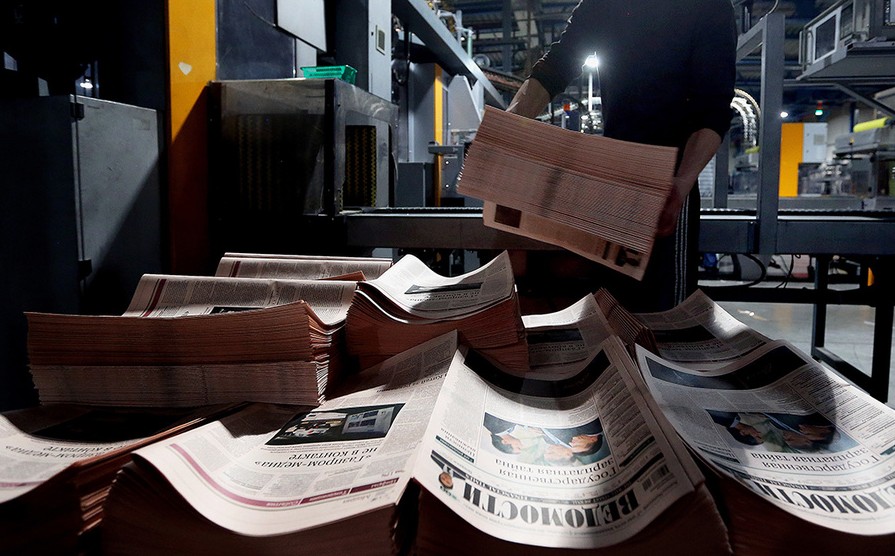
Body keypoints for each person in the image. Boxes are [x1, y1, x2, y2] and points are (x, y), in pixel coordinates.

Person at [506, 0, 737, 312]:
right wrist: (508, 127)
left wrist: (681, 182)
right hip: (615, 178)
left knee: (665, 312)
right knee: (614, 308)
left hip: (668, 185)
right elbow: (558, 64)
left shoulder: (708, 7)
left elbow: (713, 110)